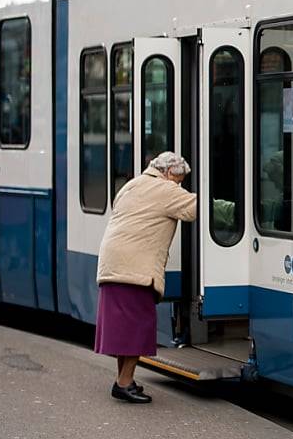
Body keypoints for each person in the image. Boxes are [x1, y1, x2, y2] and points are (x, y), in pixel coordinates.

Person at [95, 152, 197, 404]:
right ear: (170, 172)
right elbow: (197, 209)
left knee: (125, 331)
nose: (179, 186)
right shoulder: (164, 189)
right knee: (139, 328)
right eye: (180, 180)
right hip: (135, 270)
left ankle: (124, 380)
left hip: (114, 265)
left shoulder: (133, 184)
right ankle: (123, 383)